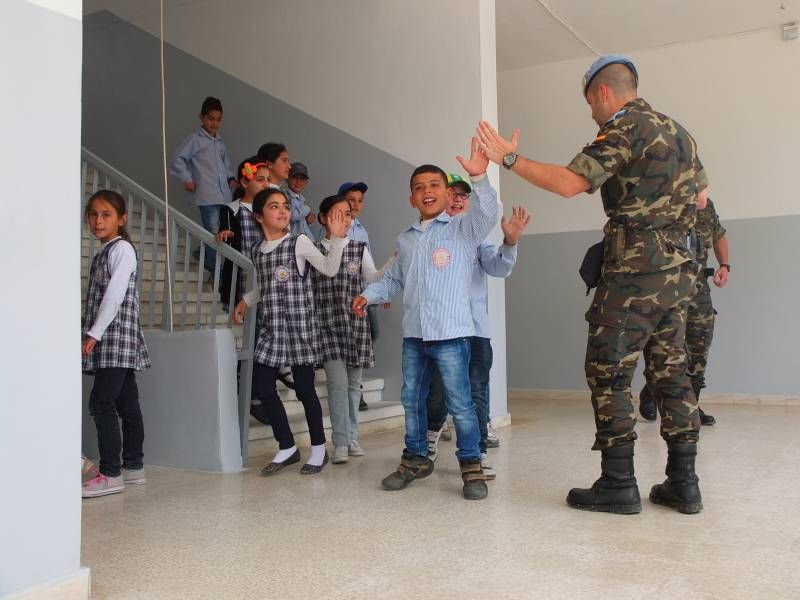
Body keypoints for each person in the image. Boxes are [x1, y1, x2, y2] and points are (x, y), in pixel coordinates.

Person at [476, 55, 709, 514]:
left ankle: (618, 482)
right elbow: (701, 197)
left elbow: (569, 183)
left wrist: (507, 156)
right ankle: (684, 482)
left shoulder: (625, 126)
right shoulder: (680, 131)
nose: (593, 115)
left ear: (603, 92)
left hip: (635, 272)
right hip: (679, 274)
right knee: (672, 373)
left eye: (590, 105)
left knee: (609, 370)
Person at [352, 138, 500, 501]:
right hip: (415, 337)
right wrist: (367, 296)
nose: (427, 191)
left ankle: (470, 465)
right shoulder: (407, 240)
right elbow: (393, 280)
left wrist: (479, 175)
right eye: (419, 188)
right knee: (411, 399)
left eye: (434, 185)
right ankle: (416, 457)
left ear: (448, 194)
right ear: (412, 199)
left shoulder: (463, 230)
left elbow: (487, 213)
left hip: (452, 335)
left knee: (461, 403)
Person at [232, 188, 349, 475]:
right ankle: (287, 446)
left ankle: (319, 448)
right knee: (261, 387)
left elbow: (328, 268)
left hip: (300, 330)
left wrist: (335, 239)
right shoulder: (257, 251)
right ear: (259, 216)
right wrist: (246, 301)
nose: (283, 211)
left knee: (305, 390)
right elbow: (267, 286)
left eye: (285, 206)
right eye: (274, 207)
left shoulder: (299, 242)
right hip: (272, 331)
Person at [426, 174, 530, 479]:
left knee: (477, 391)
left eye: (463, 196)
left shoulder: (478, 237)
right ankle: (431, 439)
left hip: (475, 331)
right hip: (443, 329)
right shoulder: (432, 234)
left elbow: (498, 267)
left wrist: (510, 242)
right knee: (437, 392)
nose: (458, 199)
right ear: (443, 198)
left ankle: (479, 451)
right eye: (453, 194)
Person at [81, 190, 151, 498]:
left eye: (106, 215)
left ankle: (111, 474)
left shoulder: (121, 250)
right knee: (127, 404)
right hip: (115, 337)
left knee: (100, 403)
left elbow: (115, 294)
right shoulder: (106, 251)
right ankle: (133, 468)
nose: (98, 221)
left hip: (115, 337)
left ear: (121, 219)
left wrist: (94, 334)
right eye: (93, 214)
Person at [639, 198, 730, 426]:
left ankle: (692, 405)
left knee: (700, 346)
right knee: (664, 345)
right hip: (665, 287)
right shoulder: (659, 198)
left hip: (698, 288)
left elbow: (718, 235)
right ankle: (651, 391)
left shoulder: (707, 205)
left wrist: (725, 266)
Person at [312, 195, 388, 464]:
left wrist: (394, 261)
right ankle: (341, 442)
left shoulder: (358, 248)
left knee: (354, 385)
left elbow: (373, 278)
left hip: (356, 324)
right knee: (337, 384)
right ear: (322, 218)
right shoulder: (313, 249)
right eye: (336, 214)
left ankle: (352, 436)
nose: (344, 219)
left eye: (347, 214)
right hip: (326, 327)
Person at [169, 96, 237, 273]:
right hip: (206, 195)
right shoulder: (194, 139)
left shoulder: (220, 143)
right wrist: (187, 178)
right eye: (210, 118)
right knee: (214, 232)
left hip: (223, 196)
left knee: (220, 231)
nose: (214, 123)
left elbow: (226, 165)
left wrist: (231, 179)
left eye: (218, 119)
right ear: (202, 117)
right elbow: (178, 159)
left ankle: (202, 255)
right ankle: (215, 271)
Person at [338, 180, 376, 411]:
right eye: (351, 200)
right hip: (343, 294)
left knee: (370, 336)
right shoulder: (336, 225)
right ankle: (355, 389)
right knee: (349, 340)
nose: (355, 204)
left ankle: (356, 384)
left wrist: (378, 290)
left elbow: (368, 262)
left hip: (362, 293)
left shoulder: (362, 229)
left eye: (360, 201)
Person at [285, 162, 316, 239]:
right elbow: (293, 216)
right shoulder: (283, 195)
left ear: (306, 182)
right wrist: (307, 209)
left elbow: (300, 222)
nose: (298, 182)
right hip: (293, 243)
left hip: (306, 241)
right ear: (287, 178)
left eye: (302, 178)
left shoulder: (301, 198)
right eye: (295, 177)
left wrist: (308, 220)